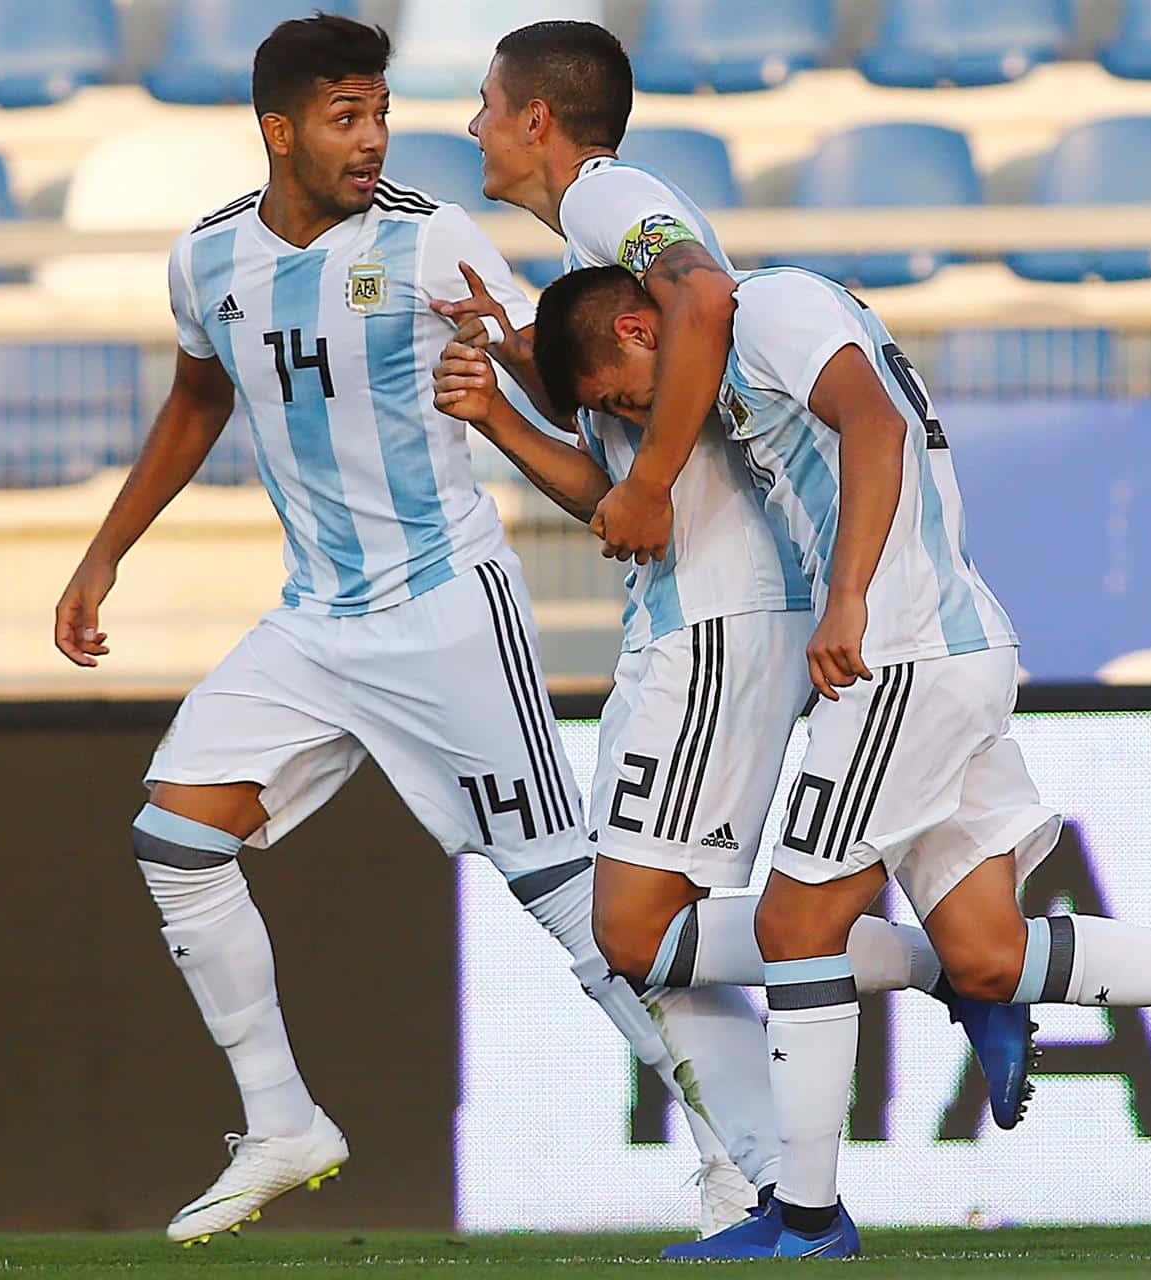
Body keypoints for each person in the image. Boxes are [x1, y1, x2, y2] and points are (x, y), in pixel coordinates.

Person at [52, 14, 766, 1245]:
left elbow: (549, 365)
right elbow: (197, 399)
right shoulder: (209, 260)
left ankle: (746, 1160)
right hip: (314, 621)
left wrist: (543, 402)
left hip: (445, 606)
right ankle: (283, 1120)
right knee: (174, 837)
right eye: (346, 116)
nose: (373, 136)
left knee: (575, 901)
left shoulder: (432, 236)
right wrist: (105, 552)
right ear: (279, 129)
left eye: (381, 111)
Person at [517, 261, 1151, 1259]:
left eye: (622, 392)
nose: (632, 413)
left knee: (795, 923)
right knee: (990, 955)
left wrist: (846, 602)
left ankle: (805, 1217)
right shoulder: (775, 322)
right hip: (947, 649)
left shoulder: (772, 311)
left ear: (639, 324)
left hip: (901, 657)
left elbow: (876, 427)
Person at [434, 22, 1039, 1251]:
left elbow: (698, 317)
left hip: (715, 612)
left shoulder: (612, 197)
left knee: (640, 931)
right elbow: (625, 470)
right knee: (650, 935)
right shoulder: (599, 258)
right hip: (701, 605)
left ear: (540, 119)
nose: (474, 125)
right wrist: (512, 393)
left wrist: (651, 480)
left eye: (488, 104)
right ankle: (804, 1148)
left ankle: (822, 1132)